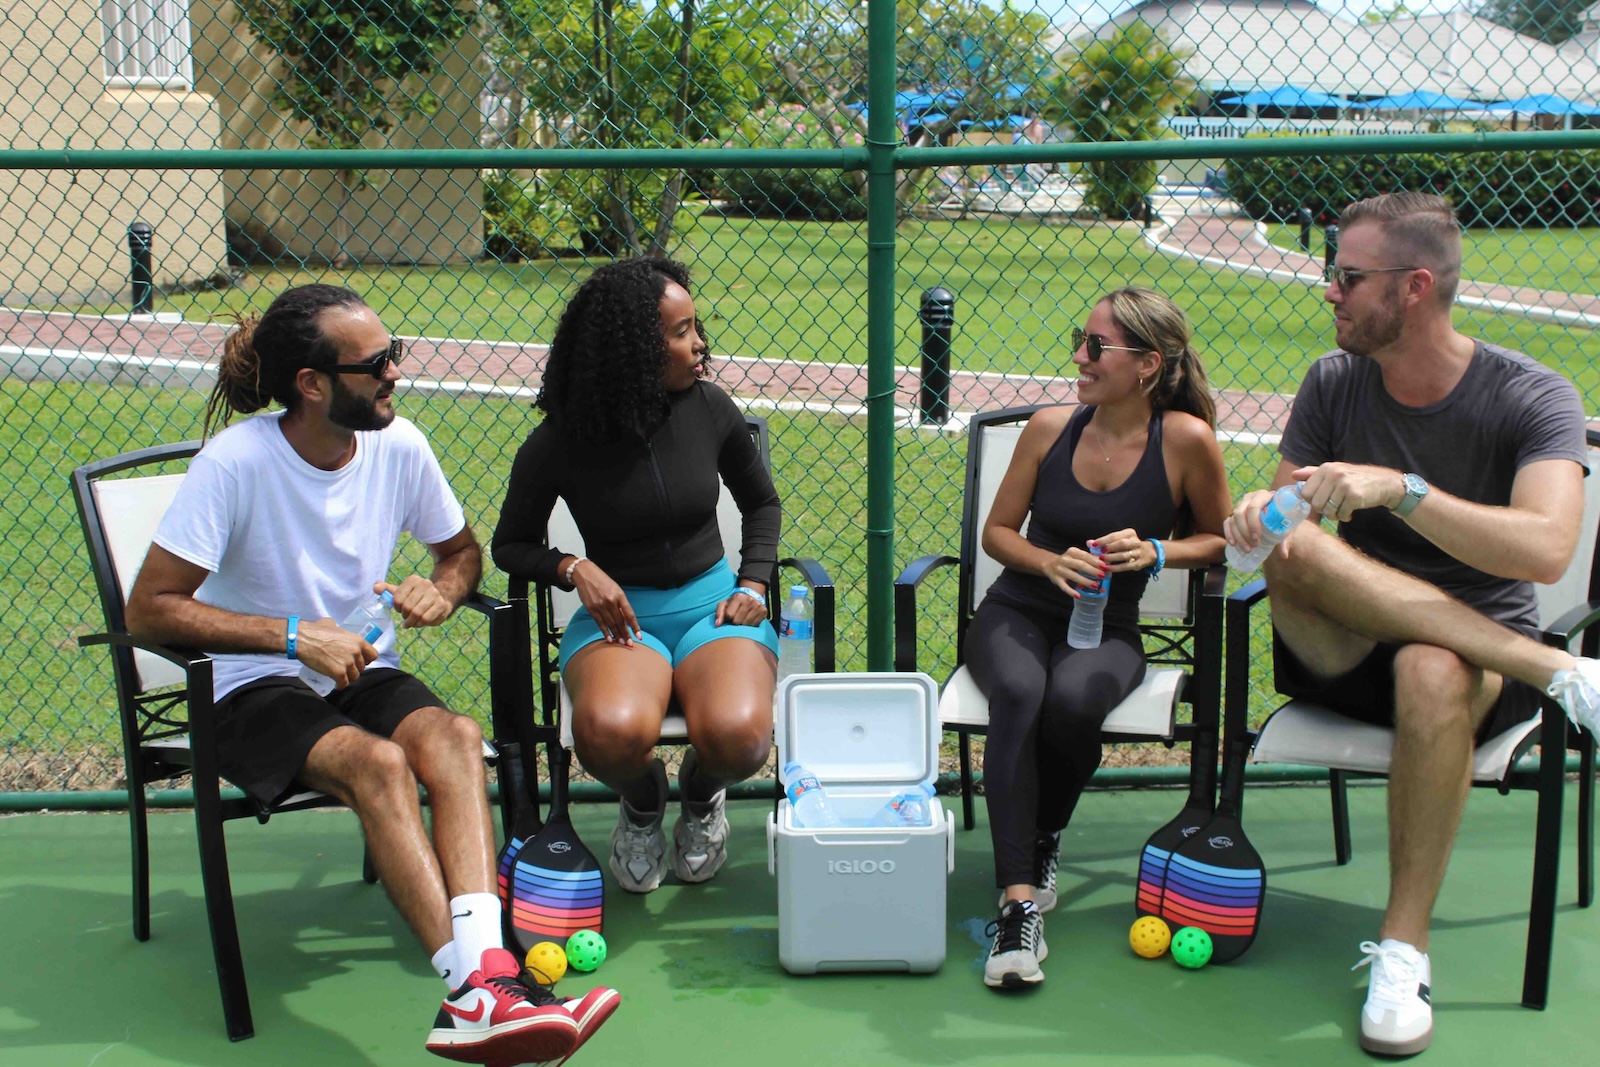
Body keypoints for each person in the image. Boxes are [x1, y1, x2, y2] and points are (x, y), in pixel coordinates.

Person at [124, 284, 618, 1066]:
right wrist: (290, 636)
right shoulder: (236, 463)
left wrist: (443, 587)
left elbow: (460, 553)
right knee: (380, 763)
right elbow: (149, 608)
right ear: (312, 385)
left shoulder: (400, 444)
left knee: (455, 738)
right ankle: (474, 995)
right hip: (247, 686)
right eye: (376, 363)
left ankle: (491, 980)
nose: (395, 373)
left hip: (358, 667)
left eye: (396, 352)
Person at [1224, 191, 1600, 1057]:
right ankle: (1560, 673)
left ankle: (1403, 949)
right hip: (1349, 647)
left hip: (1468, 673)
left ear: (1416, 287)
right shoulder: (1332, 379)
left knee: (1432, 665)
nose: (1330, 291)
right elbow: (1290, 527)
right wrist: (1260, 511)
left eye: (1349, 277)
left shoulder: (1533, 394)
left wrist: (1402, 487)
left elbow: (1547, 550)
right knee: (1293, 546)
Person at [968, 287, 1231, 990]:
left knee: (1074, 701)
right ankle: (1018, 900)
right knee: (1021, 691)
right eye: (1080, 339)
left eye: (1095, 346)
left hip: (1108, 623)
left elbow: (1220, 540)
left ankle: (1043, 831)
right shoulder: (1051, 426)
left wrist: (1158, 550)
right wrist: (1048, 560)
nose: (1078, 356)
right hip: (1017, 609)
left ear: (1147, 364)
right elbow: (997, 533)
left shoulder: (1184, 441)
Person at [493, 257, 780, 896]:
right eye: (681, 332)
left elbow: (762, 504)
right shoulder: (560, 441)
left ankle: (702, 795)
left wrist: (753, 582)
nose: (699, 343)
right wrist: (573, 567)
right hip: (619, 624)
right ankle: (645, 800)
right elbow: (510, 545)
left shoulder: (709, 407)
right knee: (609, 733)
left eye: (695, 326)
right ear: (631, 350)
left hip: (713, 611)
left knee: (739, 736)